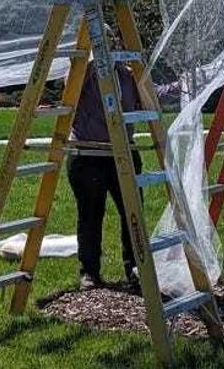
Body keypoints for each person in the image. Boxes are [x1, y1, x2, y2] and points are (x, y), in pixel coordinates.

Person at [67, 51, 144, 290]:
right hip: (88, 154)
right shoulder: (82, 72)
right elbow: (70, 89)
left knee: (132, 213)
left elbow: (148, 96)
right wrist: (91, 57)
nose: (106, 47)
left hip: (123, 153)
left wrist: (182, 85)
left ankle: (135, 268)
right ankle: (89, 272)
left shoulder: (127, 74)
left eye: (111, 41)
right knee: (90, 214)